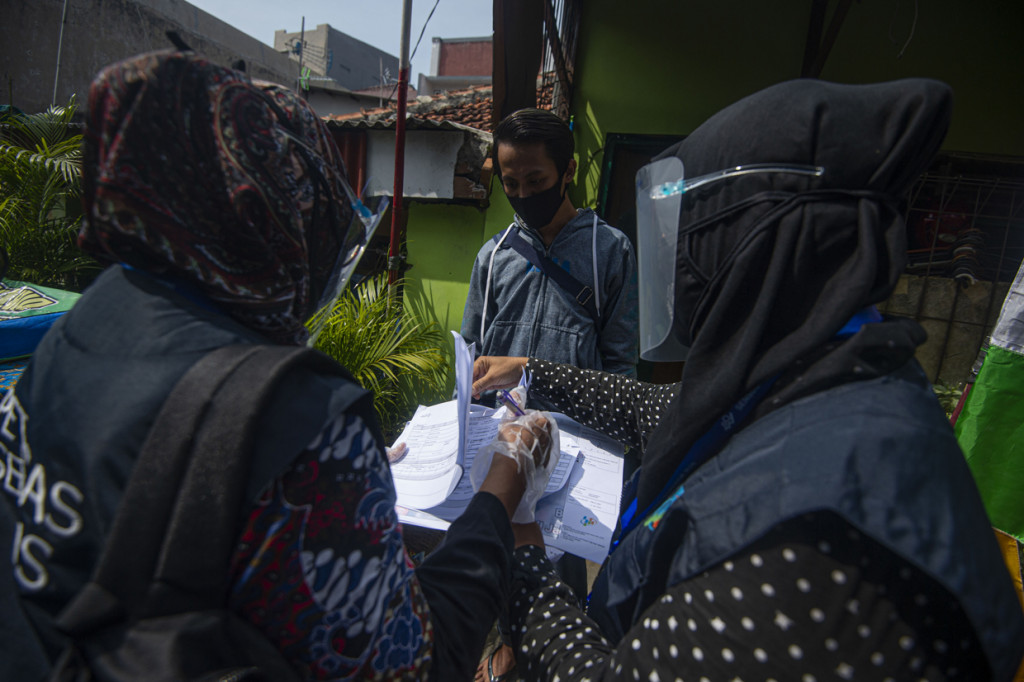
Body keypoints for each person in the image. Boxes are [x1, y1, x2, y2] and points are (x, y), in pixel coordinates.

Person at [0, 50, 554, 682]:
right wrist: (503, 484)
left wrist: (331, 471)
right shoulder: (294, 416)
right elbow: (412, 666)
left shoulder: (88, 319)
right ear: (264, 219)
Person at [477, 78, 1024, 680]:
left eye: (689, 251)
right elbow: (652, 407)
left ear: (754, 255)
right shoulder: (820, 374)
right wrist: (531, 371)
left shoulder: (823, 542)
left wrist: (520, 546)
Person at [461, 108, 639, 384]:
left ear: (568, 171)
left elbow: (620, 362)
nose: (523, 195)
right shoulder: (493, 255)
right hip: (502, 424)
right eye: (510, 183)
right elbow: (470, 357)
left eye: (535, 181)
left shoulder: (611, 250)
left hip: (574, 425)